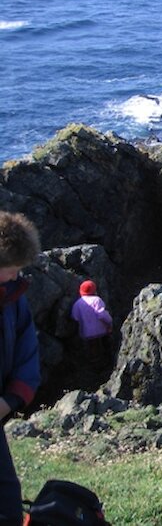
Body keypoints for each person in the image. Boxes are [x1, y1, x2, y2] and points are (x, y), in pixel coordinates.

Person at [0, 212, 41, 524]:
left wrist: (11, 400)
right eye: (11, 270)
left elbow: (28, 353)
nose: (16, 276)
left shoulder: (14, 298)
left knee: (8, 500)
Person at [70, 280, 113, 370]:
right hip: (101, 329)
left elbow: (75, 317)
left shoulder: (78, 303)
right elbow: (102, 315)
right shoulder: (96, 300)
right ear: (94, 290)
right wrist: (109, 323)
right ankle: (110, 360)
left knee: (93, 348)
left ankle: (96, 366)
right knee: (106, 343)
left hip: (87, 332)